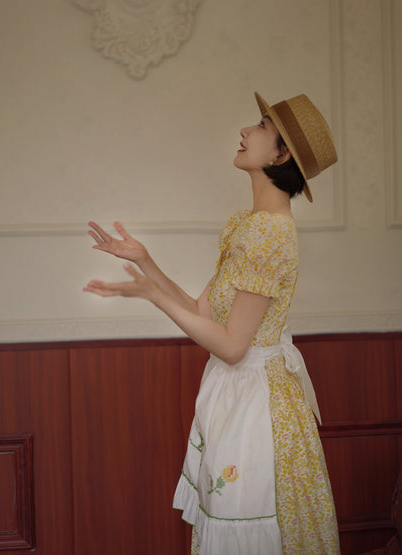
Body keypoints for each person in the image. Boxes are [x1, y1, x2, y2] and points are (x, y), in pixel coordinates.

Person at [83, 91, 340, 554]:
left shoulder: (269, 232)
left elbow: (232, 346)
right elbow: (204, 312)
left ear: (281, 154)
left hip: (256, 409)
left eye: (261, 127)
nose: (245, 131)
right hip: (236, 396)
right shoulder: (253, 223)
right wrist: (147, 264)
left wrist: (153, 296)